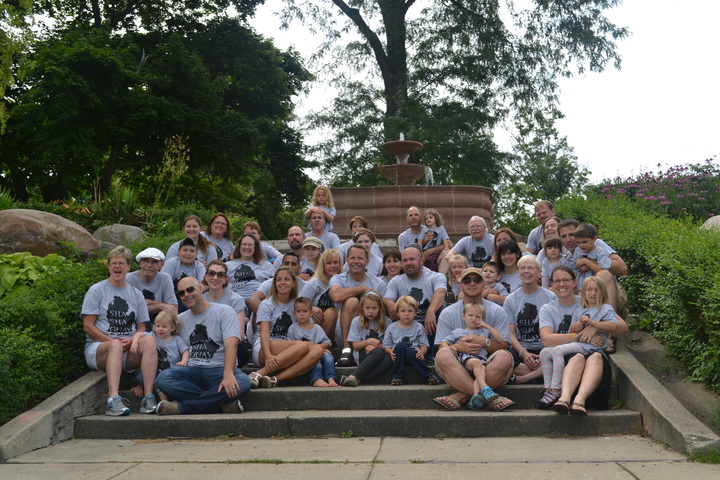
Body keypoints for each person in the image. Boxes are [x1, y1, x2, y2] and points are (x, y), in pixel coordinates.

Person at [538, 267, 629, 415]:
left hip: (593, 356)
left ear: (575, 283)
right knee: (564, 355)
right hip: (574, 354)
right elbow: (549, 339)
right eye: (557, 281)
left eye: (566, 280)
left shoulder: (593, 303)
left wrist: (594, 327)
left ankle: (569, 395)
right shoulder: (551, 309)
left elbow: (622, 327)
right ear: (552, 285)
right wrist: (580, 333)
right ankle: (555, 392)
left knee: (592, 356)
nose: (562, 284)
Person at [155, 277, 250, 415]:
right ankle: (220, 404)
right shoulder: (180, 319)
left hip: (219, 369)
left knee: (244, 382)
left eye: (190, 289)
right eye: (181, 293)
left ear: (200, 288)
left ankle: (181, 407)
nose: (186, 295)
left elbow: (232, 345)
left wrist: (228, 374)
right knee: (163, 379)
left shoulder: (225, 311)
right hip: (192, 371)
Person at [82, 246, 158, 416]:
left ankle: (148, 397)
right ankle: (113, 400)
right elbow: (88, 326)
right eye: (114, 263)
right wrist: (110, 341)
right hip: (100, 348)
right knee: (115, 345)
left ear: (129, 266)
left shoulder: (136, 294)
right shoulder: (97, 290)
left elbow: (141, 327)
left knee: (150, 341)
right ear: (109, 266)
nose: (118, 266)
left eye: (121, 263)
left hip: (128, 348)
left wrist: (133, 340)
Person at [433, 267, 515, 411]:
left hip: (487, 364)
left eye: (477, 280)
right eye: (467, 280)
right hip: (459, 363)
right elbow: (441, 345)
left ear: (484, 285)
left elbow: (504, 345)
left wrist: (485, 342)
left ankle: (461, 395)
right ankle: (488, 395)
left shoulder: (497, 311)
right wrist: (458, 347)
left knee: (505, 357)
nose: (472, 283)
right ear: (461, 285)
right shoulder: (447, 313)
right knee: (443, 354)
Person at [249, 267, 324, 388]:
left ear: (294, 283)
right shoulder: (267, 303)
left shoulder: (296, 305)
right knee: (302, 345)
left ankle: (274, 380)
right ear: (275, 283)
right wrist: (268, 356)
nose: (282, 282)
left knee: (317, 350)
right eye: (279, 280)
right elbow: (264, 334)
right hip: (265, 347)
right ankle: (258, 374)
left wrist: (313, 310)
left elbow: (308, 327)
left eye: (286, 279)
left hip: (290, 347)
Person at [383, 244, 446, 359]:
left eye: (412, 259)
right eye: (405, 260)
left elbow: (441, 293)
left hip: (429, 322)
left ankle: (432, 353)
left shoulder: (435, 277)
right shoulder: (396, 281)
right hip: (407, 322)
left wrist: (431, 311)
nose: (408, 263)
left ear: (421, 260)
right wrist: (390, 304)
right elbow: (387, 298)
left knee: (441, 311)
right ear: (401, 264)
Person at [440, 302, 506, 410]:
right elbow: (443, 342)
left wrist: (487, 326)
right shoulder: (459, 332)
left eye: (478, 317)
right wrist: (452, 347)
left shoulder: (484, 331)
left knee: (480, 372)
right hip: (465, 358)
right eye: (470, 315)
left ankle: (476, 397)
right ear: (463, 316)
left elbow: (500, 339)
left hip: (481, 360)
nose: (474, 319)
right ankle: (485, 388)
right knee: (477, 364)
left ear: (482, 318)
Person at [329, 244, 387, 366]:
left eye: (360, 258)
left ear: (367, 262)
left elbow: (382, 310)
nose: (356, 261)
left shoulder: (378, 283)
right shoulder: (338, 278)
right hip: (344, 331)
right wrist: (362, 289)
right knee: (352, 301)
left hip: (370, 331)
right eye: (352, 258)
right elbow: (336, 296)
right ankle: (346, 350)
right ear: (347, 260)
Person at [504, 255, 557, 384]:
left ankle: (524, 378)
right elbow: (510, 333)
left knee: (559, 357)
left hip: (545, 347)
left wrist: (543, 354)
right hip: (521, 348)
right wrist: (523, 353)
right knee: (504, 361)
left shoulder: (551, 297)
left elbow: (556, 330)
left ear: (539, 272)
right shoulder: (510, 300)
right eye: (523, 268)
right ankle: (542, 374)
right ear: (518, 273)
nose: (526, 271)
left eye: (531, 268)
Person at [130, 310, 189, 401]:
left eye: (164, 326)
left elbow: (185, 351)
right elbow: (139, 334)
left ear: (172, 328)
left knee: (169, 381)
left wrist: (184, 361)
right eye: (157, 326)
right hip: (155, 372)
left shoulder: (176, 339)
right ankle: (164, 402)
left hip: (171, 371)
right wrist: (135, 342)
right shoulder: (153, 336)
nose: (160, 329)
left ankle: (167, 400)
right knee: (140, 377)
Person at [383, 296, 441, 386]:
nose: (406, 314)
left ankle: (428, 375)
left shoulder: (419, 327)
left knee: (410, 351)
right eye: (403, 311)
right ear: (397, 313)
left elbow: (424, 344)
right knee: (400, 346)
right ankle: (398, 376)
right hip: (398, 356)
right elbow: (386, 345)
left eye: (410, 311)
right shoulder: (391, 327)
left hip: (414, 357)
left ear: (415, 313)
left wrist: (421, 352)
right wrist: (390, 352)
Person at [340, 290, 393, 387]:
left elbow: (388, 345)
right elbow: (355, 346)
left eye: (374, 308)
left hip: (380, 354)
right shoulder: (356, 321)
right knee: (378, 353)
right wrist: (369, 342)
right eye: (367, 308)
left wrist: (377, 346)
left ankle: (357, 379)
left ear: (380, 308)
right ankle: (353, 376)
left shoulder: (387, 321)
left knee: (390, 358)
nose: (371, 311)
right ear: (362, 308)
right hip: (362, 354)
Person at [203, 260, 249, 368]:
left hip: (230, 345)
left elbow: (240, 335)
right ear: (206, 277)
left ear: (225, 279)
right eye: (211, 273)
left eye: (220, 274)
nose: (215, 278)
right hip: (206, 346)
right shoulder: (200, 300)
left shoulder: (236, 300)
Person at [288, 297, 338, 387]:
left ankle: (331, 378)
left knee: (329, 358)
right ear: (294, 314)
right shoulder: (292, 329)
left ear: (311, 313)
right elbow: (291, 347)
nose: (302, 314)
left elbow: (327, 342)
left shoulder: (317, 328)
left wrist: (320, 348)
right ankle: (316, 379)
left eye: (305, 311)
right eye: (298, 311)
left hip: (320, 351)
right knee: (315, 361)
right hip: (304, 356)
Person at [125, 247, 177, 327]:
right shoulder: (129, 279)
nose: (149, 265)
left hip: (160, 323)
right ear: (140, 263)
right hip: (134, 324)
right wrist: (160, 306)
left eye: (154, 262)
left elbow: (173, 308)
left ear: (161, 265)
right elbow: (131, 310)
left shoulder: (164, 278)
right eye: (146, 261)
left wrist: (150, 302)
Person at [299, 249, 342, 342]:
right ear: (323, 265)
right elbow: (299, 300)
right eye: (329, 263)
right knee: (327, 313)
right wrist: (312, 308)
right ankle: (320, 344)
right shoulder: (316, 282)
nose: (333, 266)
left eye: (335, 262)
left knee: (332, 312)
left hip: (339, 324)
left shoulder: (344, 281)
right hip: (318, 323)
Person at [161, 237, 206, 312]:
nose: (188, 253)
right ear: (179, 252)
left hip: (191, 299)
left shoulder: (199, 266)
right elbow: (164, 284)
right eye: (185, 250)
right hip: (171, 300)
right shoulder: (171, 263)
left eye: (192, 251)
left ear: (196, 253)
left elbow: (204, 284)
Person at [226, 234, 274, 302]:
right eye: (244, 244)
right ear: (239, 247)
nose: (247, 247)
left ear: (255, 247)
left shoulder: (266, 265)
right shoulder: (228, 266)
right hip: (234, 302)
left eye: (250, 245)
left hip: (258, 301)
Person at [573, 223, 612, 290]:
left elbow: (601, 271)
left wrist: (586, 261)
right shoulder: (577, 250)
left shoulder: (599, 251)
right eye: (578, 243)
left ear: (594, 239)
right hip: (581, 287)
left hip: (596, 287)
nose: (581, 245)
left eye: (584, 242)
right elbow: (574, 269)